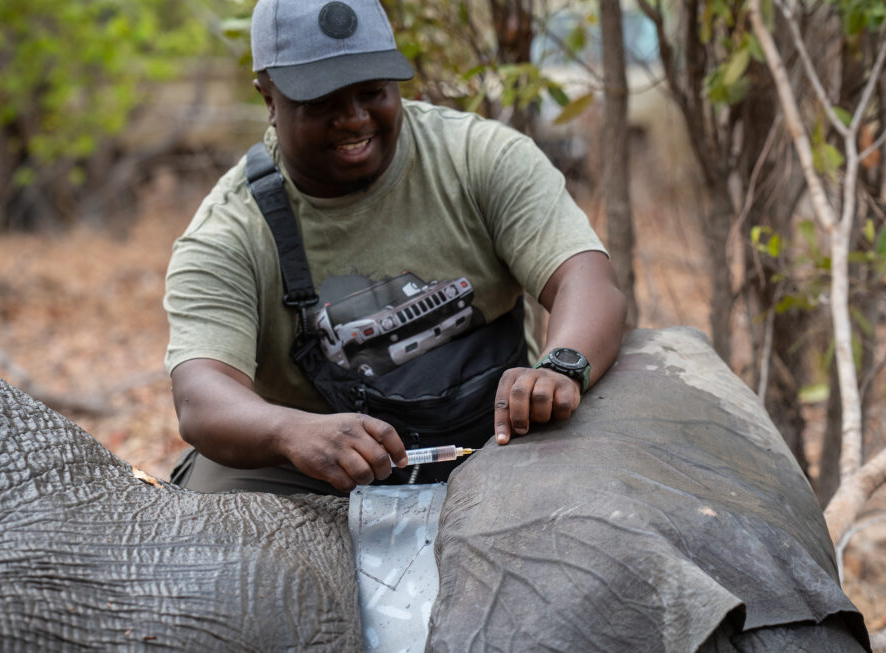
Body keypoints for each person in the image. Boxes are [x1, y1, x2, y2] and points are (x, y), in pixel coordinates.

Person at [164, 0, 627, 496]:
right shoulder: (228, 232)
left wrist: (560, 366)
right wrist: (289, 431)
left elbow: (584, 277)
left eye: (373, 92)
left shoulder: (478, 156)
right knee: (206, 502)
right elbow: (200, 394)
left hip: (498, 434)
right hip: (322, 464)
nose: (354, 119)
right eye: (322, 101)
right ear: (269, 99)